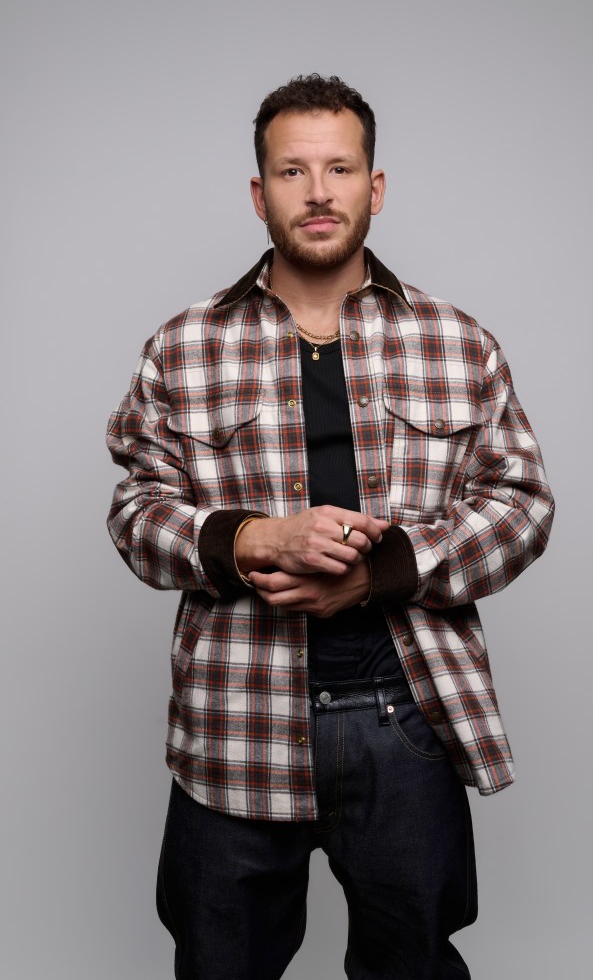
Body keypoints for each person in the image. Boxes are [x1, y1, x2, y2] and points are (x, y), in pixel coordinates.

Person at [107, 73, 554, 980]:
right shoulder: (182, 346)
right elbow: (135, 512)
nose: (317, 192)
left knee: (412, 968)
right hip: (234, 718)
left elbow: (521, 506)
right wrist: (250, 539)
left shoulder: (456, 340)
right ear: (259, 193)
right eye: (292, 171)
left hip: (406, 717)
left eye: (339, 169)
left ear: (373, 187)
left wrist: (382, 573)